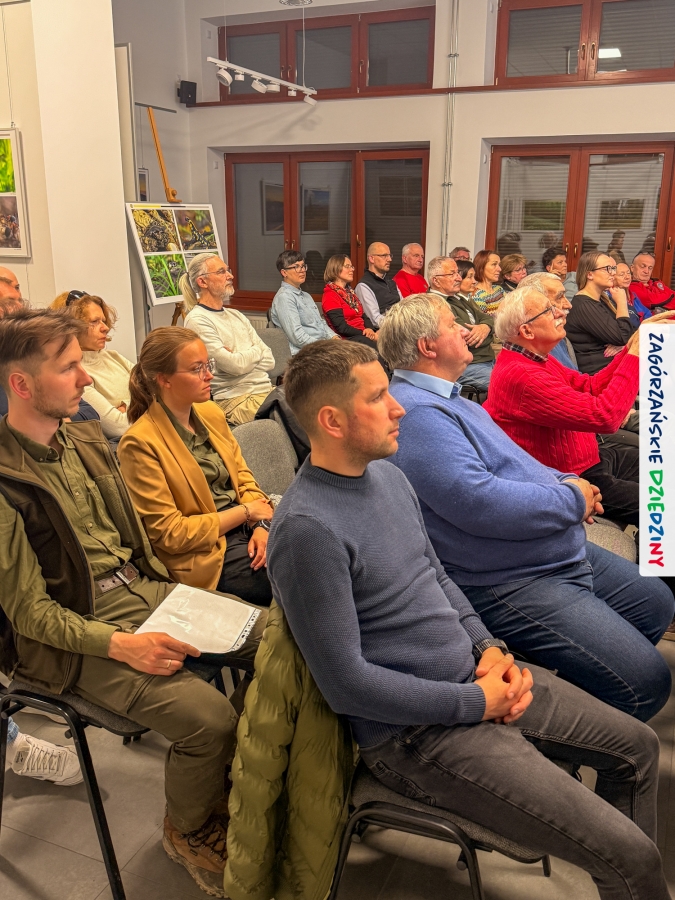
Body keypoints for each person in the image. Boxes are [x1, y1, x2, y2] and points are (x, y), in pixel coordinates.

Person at [266, 339, 672, 900]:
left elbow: (436, 576)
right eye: (378, 397)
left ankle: (613, 861)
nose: (399, 407)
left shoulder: (388, 477)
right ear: (332, 421)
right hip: (416, 733)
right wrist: (476, 703)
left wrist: (490, 647)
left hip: (475, 677)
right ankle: (620, 864)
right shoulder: (307, 529)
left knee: (639, 748)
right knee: (634, 858)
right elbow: (346, 684)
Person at [0, 309, 265, 898]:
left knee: (281, 639)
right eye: (69, 368)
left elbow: (140, 542)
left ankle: (231, 777)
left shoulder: (83, 441)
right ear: (21, 384)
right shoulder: (5, 479)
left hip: (141, 590)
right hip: (75, 632)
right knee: (209, 720)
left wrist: (179, 595)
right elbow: (30, 616)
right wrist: (122, 645)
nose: (86, 378)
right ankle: (187, 828)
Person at [377, 293, 673, 721]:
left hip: (548, 546)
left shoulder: (453, 398)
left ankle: (586, 675)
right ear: (428, 346)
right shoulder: (420, 414)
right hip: (509, 575)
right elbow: (478, 502)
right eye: (452, 325)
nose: (466, 330)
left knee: (655, 603)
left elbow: (517, 461)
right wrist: (571, 497)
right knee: (647, 683)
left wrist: (565, 481)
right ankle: (583, 730)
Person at [118, 328, 274, 606]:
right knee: (304, 574)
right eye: (196, 369)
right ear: (164, 379)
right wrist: (246, 512)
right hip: (208, 554)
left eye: (207, 364)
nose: (209, 375)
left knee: (325, 547)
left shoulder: (210, 413)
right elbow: (170, 534)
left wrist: (260, 525)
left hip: (248, 526)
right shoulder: (139, 443)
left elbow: (243, 478)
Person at [486, 284, 644, 527]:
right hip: (572, 479)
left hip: (591, 459)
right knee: (663, 501)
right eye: (549, 310)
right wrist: (635, 356)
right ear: (527, 330)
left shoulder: (534, 358)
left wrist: (633, 345)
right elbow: (605, 417)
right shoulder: (522, 375)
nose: (561, 311)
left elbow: (590, 386)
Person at [181, 253, 274, 426]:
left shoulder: (236, 315)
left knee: (310, 406)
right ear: (203, 282)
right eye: (221, 271)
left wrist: (240, 357)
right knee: (296, 419)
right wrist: (255, 352)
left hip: (266, 391)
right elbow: (235, 365)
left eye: (228, 270)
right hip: (237, 400)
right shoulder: (198, 320)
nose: (230, 276)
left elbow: (270, 360)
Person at [61, 293, 132, 440]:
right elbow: (119, 427)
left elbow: (158, 391)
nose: (105, 328)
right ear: (74, 327)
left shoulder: (114, 357)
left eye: (104, 321)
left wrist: (126, 405)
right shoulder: (78, 373)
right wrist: (143, 401)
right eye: (94, 321)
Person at [427, 256, 495, 392]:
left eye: (458, 273)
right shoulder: (436, 304)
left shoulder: (458, 298)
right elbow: (467, 338)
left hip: (486, 359)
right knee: (509, 386)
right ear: (436, 280)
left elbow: (488, 319)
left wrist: (485, 327)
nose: (459, 278)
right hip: (466, 365)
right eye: (452, 274)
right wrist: (488, 332)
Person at [565, 252, 637, 374]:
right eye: (607, 269)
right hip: (600, 374)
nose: (612, 273)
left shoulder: (603, 300)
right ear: (590, 274)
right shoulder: (584, 306)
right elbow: (622, 337)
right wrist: (622, 302)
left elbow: (630, 330)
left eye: (613, 268)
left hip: (615, 367)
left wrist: (624, 345)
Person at [270, 250, 336, 355]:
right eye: (296, 267)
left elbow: (321, 323)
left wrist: (334, 338)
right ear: (284, 272)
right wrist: (325, 346)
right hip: (303, 353)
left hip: (321, 347)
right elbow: (297, 337)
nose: (302, 270)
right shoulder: (284, 297)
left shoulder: (306, 296)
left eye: (303, 266)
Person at [321, 255, 378, 349]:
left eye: (352, 266)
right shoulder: (330, 295)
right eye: (347, 266)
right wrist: (365, 333)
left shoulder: (350, 292)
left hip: (362, 335)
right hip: (347, 340)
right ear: (336, 268)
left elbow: (363, 316)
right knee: (376, 346)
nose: (352, 269)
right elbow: (341, 327)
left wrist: (370, 329)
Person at [354, 242, 402, 328]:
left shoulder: (391, 282)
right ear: (371, 259)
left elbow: (404, 306)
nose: (389, 259)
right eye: (384, 256)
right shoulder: (364, 286)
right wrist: (400, 324)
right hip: (385, 330)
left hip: (401, 325)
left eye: (390, 255)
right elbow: (375, 320)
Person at [614, 261, 652, 327]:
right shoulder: (611, 297)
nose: (627, 277)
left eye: (628, 273)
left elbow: (647, 313)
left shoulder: (633, 295)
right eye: (622, 274)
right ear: (612, 277)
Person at [472, 250, 503, 315]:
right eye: (494, 264)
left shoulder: (499, 289)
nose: (499, 269)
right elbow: (485, 320)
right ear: (481, 267)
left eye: (499, 265)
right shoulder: (476, 296)